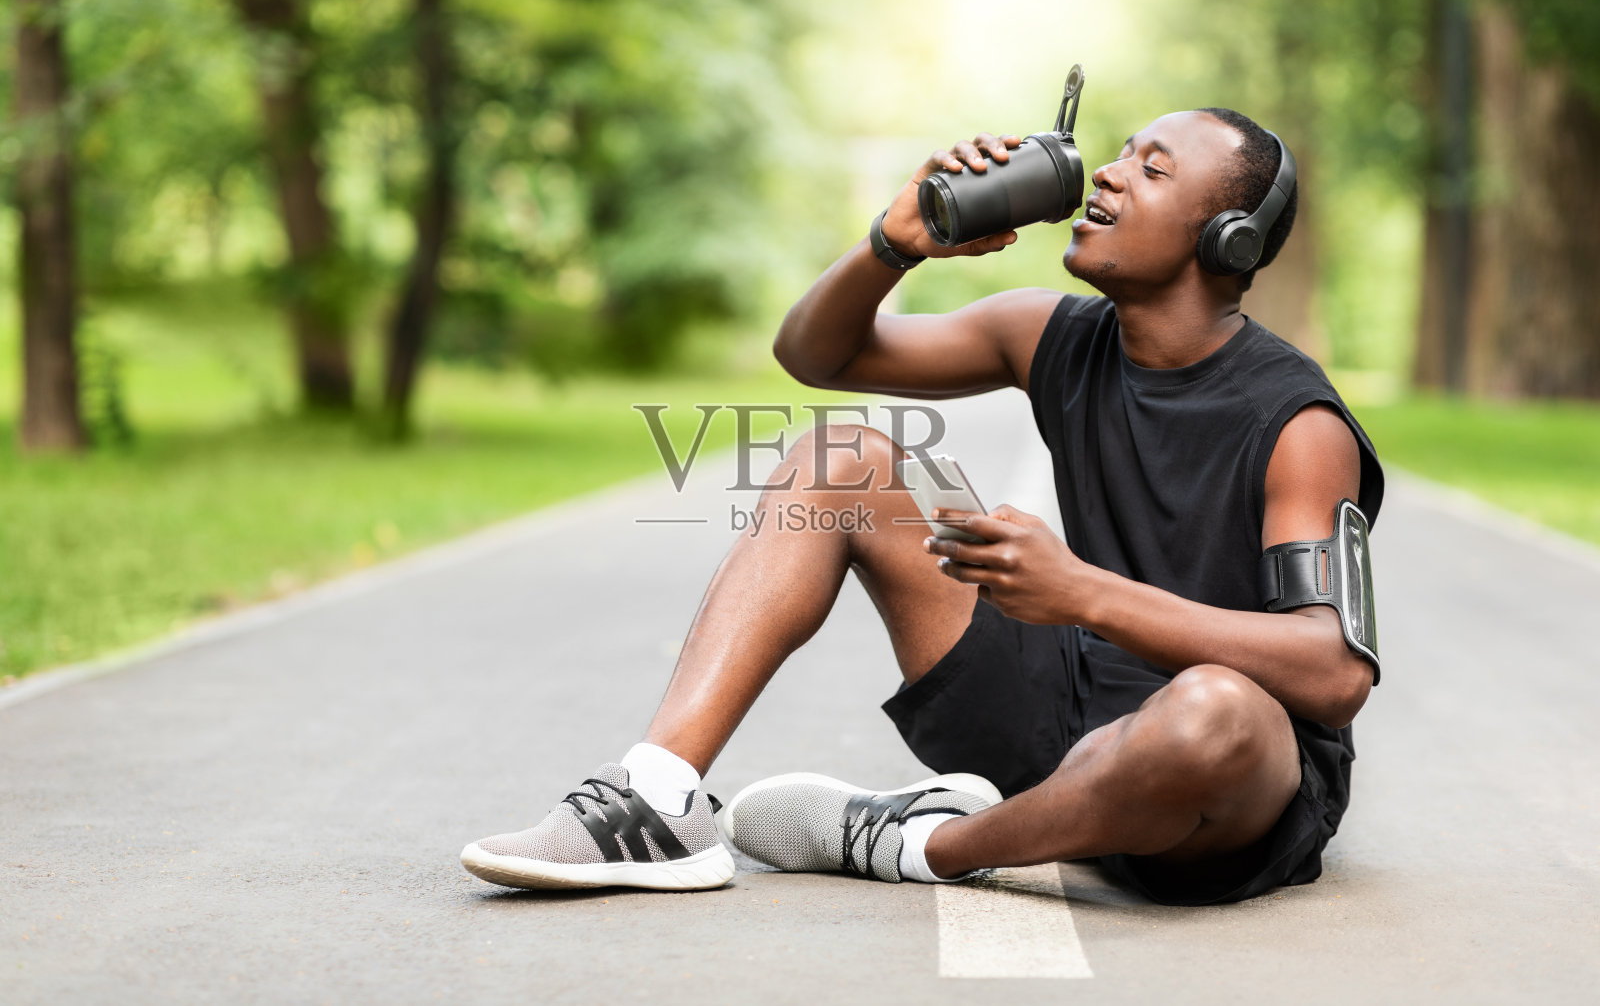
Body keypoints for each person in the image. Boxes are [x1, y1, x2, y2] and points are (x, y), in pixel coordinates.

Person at [460, 106, 1384, 905]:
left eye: (1151, 168)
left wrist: (1082, 591)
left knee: (1209, 708)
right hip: (1061, 715)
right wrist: (898, 241)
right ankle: (657, 798)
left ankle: (916, 844)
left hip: (1226, 789)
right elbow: (820, 358)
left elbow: (1333, 671)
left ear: (1229, 237)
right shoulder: (1049, 334)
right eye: (1121, 151)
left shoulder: (1296, 421)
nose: (1106, 171)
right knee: (845, 456)